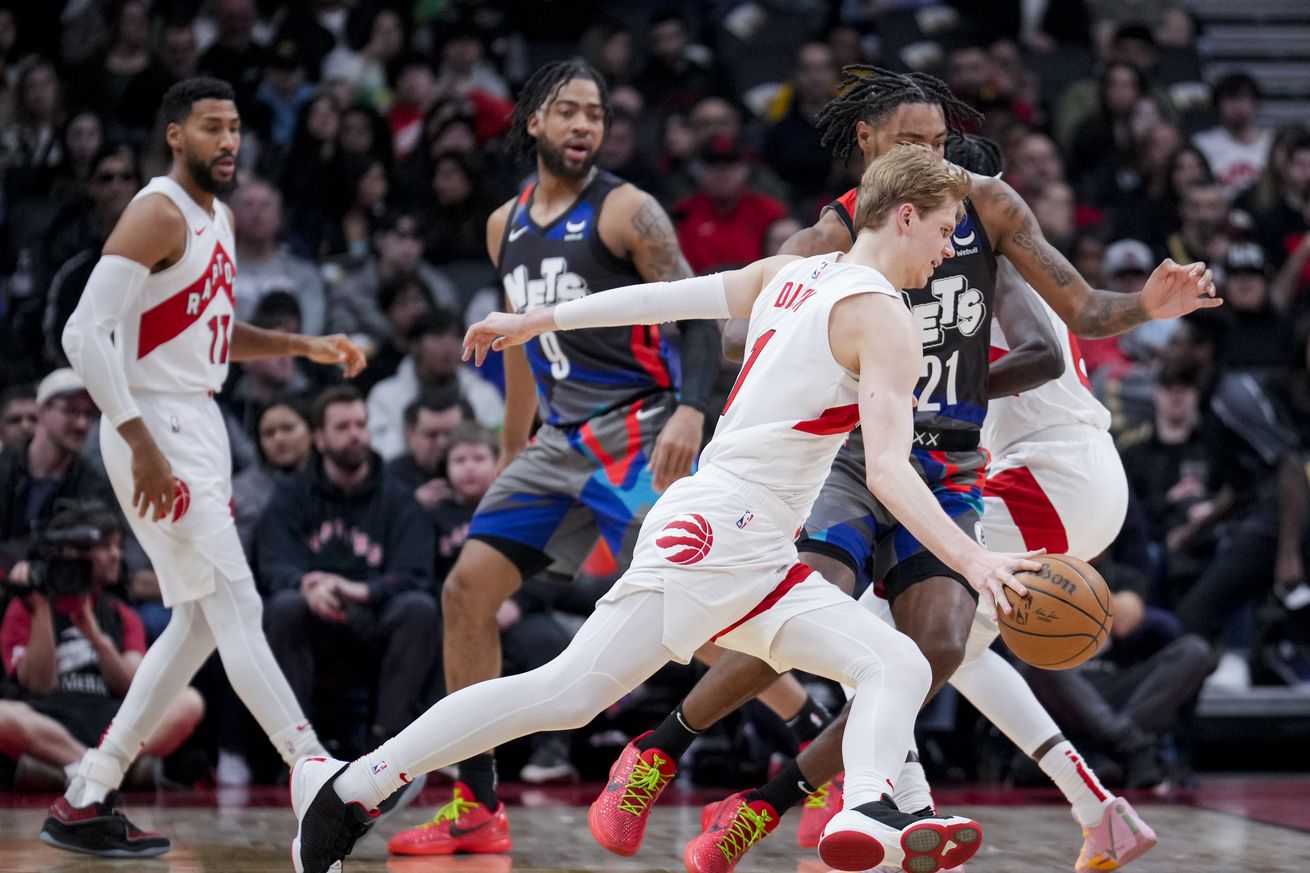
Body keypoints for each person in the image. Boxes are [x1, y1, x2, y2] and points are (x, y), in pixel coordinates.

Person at [291, 142, 1035, 873]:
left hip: (758, 548)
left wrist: (541, 319)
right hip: (718, 532)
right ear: (905, 216)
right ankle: (352, 788)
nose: (948, 251)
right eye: (945, 231)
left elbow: (671, 298)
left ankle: (868, 809)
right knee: (566, 692)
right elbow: (889, 474)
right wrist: (976, 557)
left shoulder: (793, 271)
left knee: (895, 661)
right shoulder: (885, 319)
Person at [586, 67, 1214, 873]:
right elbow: (737, 327)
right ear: (869, 142)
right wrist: (686, 399)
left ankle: (766, 806)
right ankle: (661, 748)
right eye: (916, 142)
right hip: (852, 458)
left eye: (943, 143)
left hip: (951, 464)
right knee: (804, 606)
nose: (937, 158)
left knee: (937, 651)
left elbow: (1083, 312)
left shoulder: (985, 206)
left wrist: (1147, 307)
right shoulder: (825, 241)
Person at [384, 59, 722, 857]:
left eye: (595, 114)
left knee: (705, 610)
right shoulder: (505, 224)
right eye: (567, 111)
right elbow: (518, 349)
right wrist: (509, 453)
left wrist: (693, 410)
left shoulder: (630, 212)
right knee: (468, 589)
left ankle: (820, 748)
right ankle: (477, 801)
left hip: (640, 430)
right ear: (533, 121)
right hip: (556, 441)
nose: (583, 126)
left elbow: (701, 316)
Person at [40, 77, 372, 858]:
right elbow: (85, 335)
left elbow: (211, 333)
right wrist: (142, 442)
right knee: (237, 601)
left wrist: (299, 347)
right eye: (211, 127)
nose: (228, 140)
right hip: (153, 420)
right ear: (176, 136)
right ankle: (310, 767)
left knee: (196, 620)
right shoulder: (157, 208)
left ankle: (90, 788)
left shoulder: (215, 217)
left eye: (235, 128)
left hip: (197, 416)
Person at [258, 385, 437, 753]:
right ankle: (297, 751)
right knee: (283, 607)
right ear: (320, 439)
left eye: (361, 424)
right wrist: (305, 583)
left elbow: (415, 571)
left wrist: (362, 591)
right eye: (343, 427)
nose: (355, 434)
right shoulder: (291, 494)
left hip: (372, 615)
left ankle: (390, 750)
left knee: (419, 609)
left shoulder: (397, 495)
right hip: (313, 613)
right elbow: (272, 562)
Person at [1, 504, 204, 787]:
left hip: (111, 723)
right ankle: (111, 773)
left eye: (118, 546)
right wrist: (43, 610)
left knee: (188, 701)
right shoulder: (25, 607)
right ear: (73, 553)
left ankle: (70, 772)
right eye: (106, 547)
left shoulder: (123, 614)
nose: (116, 556)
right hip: (50, 719)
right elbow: (38, 684)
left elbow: (132, 686)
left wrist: (95, 636)